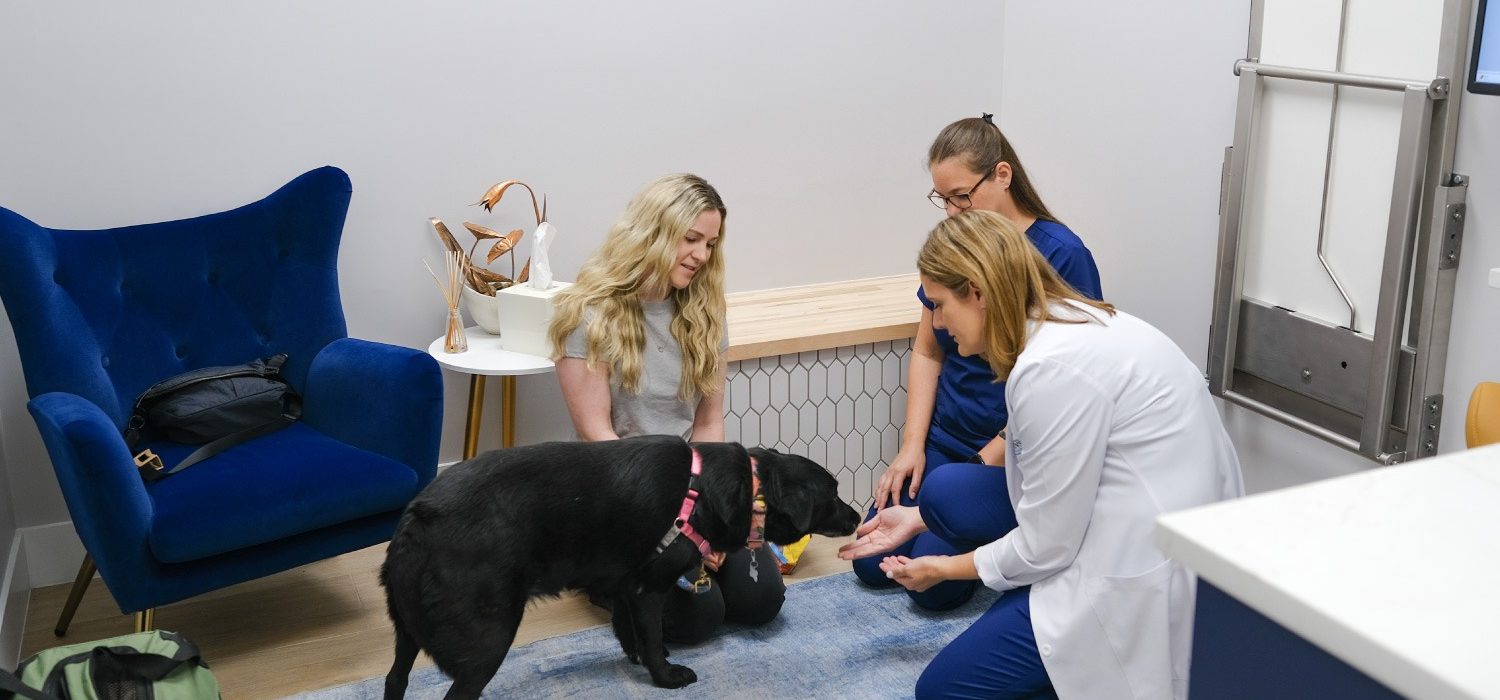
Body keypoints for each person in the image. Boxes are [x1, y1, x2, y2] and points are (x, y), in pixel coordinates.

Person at [839, 210, 1243, 699]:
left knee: (942, 692)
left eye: (941, 305)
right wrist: (918, 520)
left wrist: (945, 568)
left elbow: (1045, 546)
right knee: (948, 503)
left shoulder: (1050, 371)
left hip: (1135, 572)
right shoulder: (1071, 322)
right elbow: (1044, 499)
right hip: (1153, 526)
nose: (939, 324)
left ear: (979, 292)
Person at [852, 114, 1103, 611]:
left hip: (1010, 453)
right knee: (868, 561)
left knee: (935, 590)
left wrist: (972, 471)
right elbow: (928, 350)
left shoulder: (1062, 255)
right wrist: (911, 448)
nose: (950, 210)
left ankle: (991, 539)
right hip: (948, 440)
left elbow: (1069, 385)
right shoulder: (955, 242)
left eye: (961, 195)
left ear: (1003, 176)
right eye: (941, 198)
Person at [547, 173, 785, 644]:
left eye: (711, 243)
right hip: (623, 497)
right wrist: (678, 530)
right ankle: (599, 576)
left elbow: (708, 422)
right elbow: (601, 441)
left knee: (760, 601)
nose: (702, 255)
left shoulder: (704, 314)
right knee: (697, 620)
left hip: (690, 486)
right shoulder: (585, 315)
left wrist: (713, 516)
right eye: (690, 239)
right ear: (651, 233)